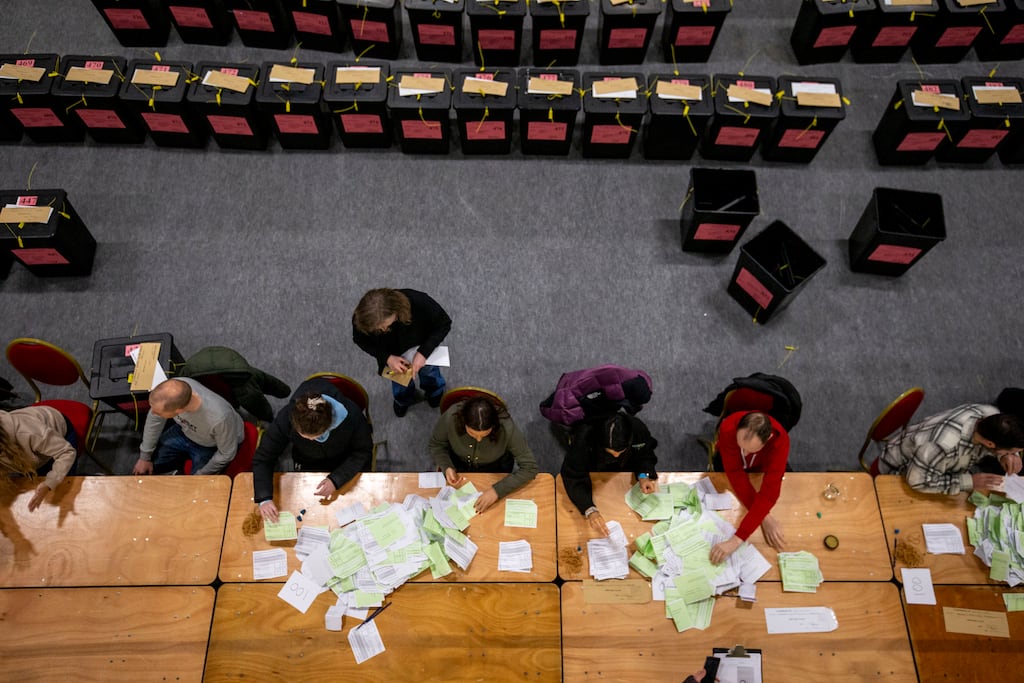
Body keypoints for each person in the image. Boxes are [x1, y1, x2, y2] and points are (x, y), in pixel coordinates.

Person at [253, 378, 373, 522]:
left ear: (329, 425)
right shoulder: (287, 417)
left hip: (344, 462)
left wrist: (336, 479)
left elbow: (363, 452)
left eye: (316, 436)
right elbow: (263, 458)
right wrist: (264, 498)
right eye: (304, 436)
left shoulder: (352, 416)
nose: (310, 440)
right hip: (306, 462)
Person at [878, 403, 1024, 495]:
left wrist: (1007, 456)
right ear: (990, 444)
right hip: (899, 469)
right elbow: (918, 482)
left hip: (933, 461)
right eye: (1009, 452)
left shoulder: (991, 413)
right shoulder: (943, 447)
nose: (1013, 455)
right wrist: (969, 482)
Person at [352, 288, 452, 417]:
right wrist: (387, 358)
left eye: (386, 325)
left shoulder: (419, 301)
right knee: (399, 383)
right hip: (392, 357)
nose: (383, 329)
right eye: (379, 329)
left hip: (422, 348)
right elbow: (360, 339)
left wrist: (423, 353)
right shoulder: (362, 319)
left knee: (430, 373)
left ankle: (435, 393)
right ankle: (403, 400)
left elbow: (444, 323)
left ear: (397, 310)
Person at [429, 396, 538, 513]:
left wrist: (496, 491)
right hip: (458, 466)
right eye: (472, 433)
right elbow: (436, 444)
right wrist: (447, 466)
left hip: (495, 470)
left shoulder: (506, 427)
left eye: (485, 434)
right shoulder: (450, 417)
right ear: (463, 422)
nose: (479, 439)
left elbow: (530, 467)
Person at [560, 412, 659, 537]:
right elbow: (574, 476)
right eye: (611, 452)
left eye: (621, 451)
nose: (617, 456)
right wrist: (589, 508)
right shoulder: (584, 438)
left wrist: (644, 475)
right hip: (594, 470)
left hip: (625, 475)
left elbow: (645, 453)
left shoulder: (637, 428)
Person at [710, 411, 789, 565]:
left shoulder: (780, 442)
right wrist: (764, 516)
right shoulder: (728, 428)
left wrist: (736, 540)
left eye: (750, 450)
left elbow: (769, 494)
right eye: (741, 446)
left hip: (759, 467)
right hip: (727, 460)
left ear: (769, 439)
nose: (744, 453)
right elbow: (735, 473)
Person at [132, 378, 243, 476]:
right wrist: (144, 457)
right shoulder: (175, 388)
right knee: (147, 467)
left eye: (159, 413)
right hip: (185, 430)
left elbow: (226, 453)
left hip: (213, 445)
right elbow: (154, 419)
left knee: (196, 488)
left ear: (179, 411)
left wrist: (199, 476)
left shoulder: (219, 419)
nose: (154, 414)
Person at [0, 405, 78, 511]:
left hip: (59, 436)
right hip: (31, 455)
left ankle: (95, 477)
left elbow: (66, 452)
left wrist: (49, 483)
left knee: (64, 491)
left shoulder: (27, 433)